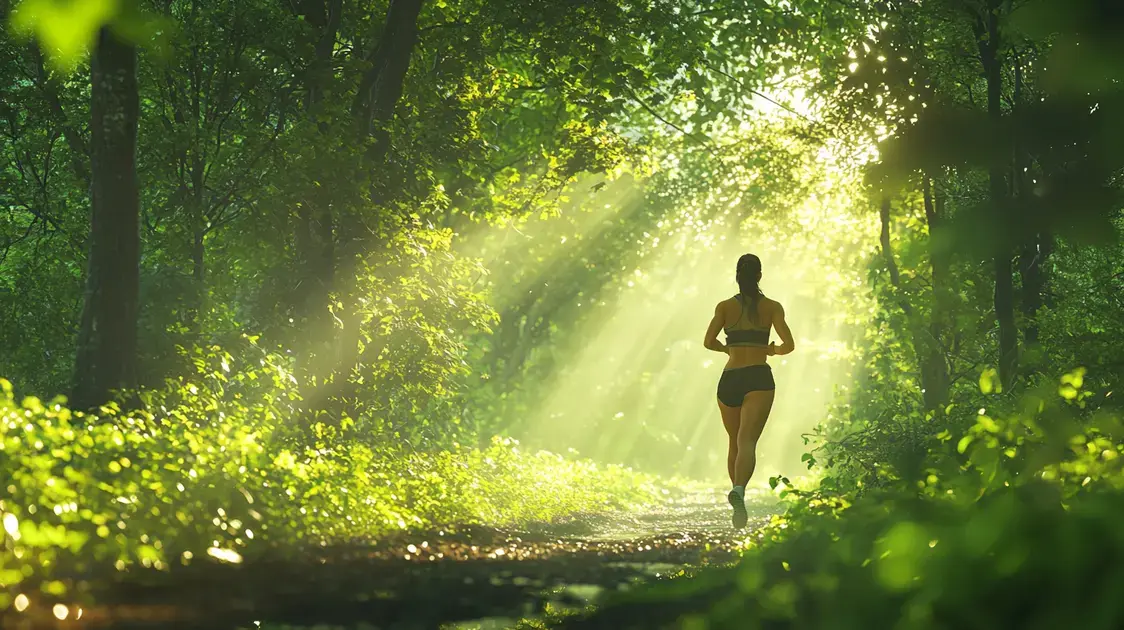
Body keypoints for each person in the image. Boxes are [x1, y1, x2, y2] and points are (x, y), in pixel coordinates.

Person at [703, 253, 795, 528]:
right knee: (747, 441)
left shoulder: (724, 307)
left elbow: (708, 341)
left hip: (730, 377)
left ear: (737, 275)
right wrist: (772, 350)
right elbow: (788, 345)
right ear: (759, 276)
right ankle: (740, 490)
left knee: (734, 440)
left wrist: (727, 349)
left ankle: (736, 491)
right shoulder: (773, 307)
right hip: (758, 377)